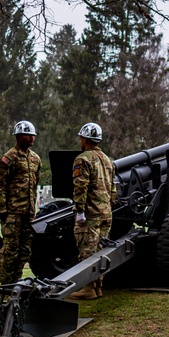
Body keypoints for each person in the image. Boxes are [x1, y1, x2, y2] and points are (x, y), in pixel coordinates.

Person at [69, 122, 115, 300]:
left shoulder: (83, 159)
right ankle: (98, 287)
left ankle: (87, 288)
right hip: (105, 213)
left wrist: (80, 211)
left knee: (87, 251)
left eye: (81, 138)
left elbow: (80, 188)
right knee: (101, 250)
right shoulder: (107, 160)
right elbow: (113, 189)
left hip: (90, 214)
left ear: (85, 139)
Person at [0, 121, 42, 285]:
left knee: (25, 249)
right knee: (10, 250)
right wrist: (2, 209)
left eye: (33, 135)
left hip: (28, 213)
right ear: (18, 136)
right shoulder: (9, 158)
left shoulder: (35, 159)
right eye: (28, 135)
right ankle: (6, 282)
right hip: (12, 212)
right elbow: (0, 184)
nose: (32, 137)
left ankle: (16, 279)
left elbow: (35, 185)